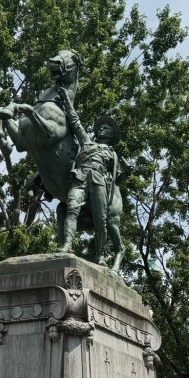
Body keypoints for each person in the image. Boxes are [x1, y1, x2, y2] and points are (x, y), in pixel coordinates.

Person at [55, 86, 128, 264]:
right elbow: (75, 121)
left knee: (100, 221)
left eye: (106, 128)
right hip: (79, 177)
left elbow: (117, 181)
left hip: (99, 181)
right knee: (71, 209)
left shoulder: (113, 155)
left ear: (111, 135)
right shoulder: (86, 141)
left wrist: (127, 173)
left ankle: (100, 256)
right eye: (101, 127)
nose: (101, 129)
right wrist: (67, 100)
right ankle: (67, 245)